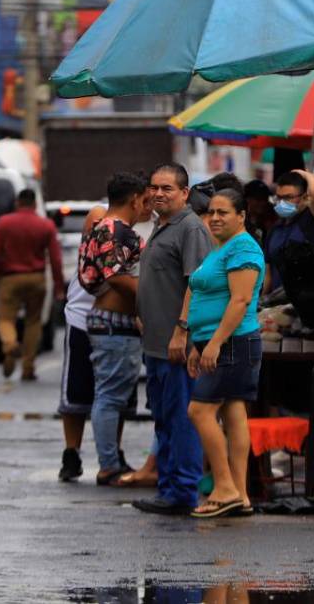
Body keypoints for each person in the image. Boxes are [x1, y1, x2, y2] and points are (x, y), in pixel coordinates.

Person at [133, 163, 213, 516]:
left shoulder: (190, 228)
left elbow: (197, 284)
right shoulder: (159, 226)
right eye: (155, 188)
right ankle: (168, 487)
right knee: (165, 418)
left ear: (184, 193)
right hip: (155, 344)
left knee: (181, 419)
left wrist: (182, 329)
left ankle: (182, 491)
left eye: (168, 188)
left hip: (178, 346)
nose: (159, 194)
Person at [184, 189, 265, 517]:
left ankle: (225, 487)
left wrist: (215, 343)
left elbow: (240, 300)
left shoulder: (243, 247)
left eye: (224, 212)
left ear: (242, 216)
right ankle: (240, 494)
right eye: (212, 212)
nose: (215, 218)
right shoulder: (222, 248)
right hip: (218, 342)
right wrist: (197, 343)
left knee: (199, 411)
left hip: (233, 342)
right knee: (233, 414)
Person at [78, 172, 146, 485]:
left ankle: (112, 459)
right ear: (134, 199)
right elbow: (115, 276)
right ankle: (108, 464)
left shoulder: (106, 228)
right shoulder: (115, 230)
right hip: (112, 323)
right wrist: (150, 291)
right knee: (109, 397)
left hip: (112, 321)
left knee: (113, 395)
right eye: (146, 199)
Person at [0, 188, 65, 381]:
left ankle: (10, 343)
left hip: (11, 277)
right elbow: (56, 259)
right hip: (37, 278)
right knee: (33, 322)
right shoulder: (46, 225)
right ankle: (28, 367)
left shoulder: (4, 222)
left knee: (5, 318)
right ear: (34, 204)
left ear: (18, 203)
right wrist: (58, 286)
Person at [58, 204, 107, 482]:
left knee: (114, 397)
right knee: (76, 395)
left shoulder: (151, 227)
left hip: (121, 323)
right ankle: (71, 452)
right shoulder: (102, 218)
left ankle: (111, 457)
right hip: (82, 320)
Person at [263, 169, 314, 291]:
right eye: (279, 197)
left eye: (288, 197)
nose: (282, 202)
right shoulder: (275, 229)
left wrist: (301, 173)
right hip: (275, 304)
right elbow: (268, 272)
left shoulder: (313, 220)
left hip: (306, 300)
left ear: (305, 197)